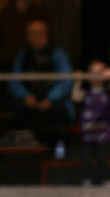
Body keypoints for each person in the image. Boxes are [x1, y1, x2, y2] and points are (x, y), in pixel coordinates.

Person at [9, 18, 73, 156]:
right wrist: (25, 96)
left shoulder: (57, 54)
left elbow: (66, 81)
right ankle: (25, 157)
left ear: (46, 35)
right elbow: (14, 81)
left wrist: (50, 99)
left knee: (58, 117)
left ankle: (57, 155)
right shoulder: (23, 55)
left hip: (53, 103)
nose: (36, 37)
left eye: (40, 33)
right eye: (32, 33)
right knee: (19, 114)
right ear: (27, 36)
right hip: (29, 102)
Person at [72, 60, 110, 186]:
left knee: (103, 156)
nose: (95, 76)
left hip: (104, 131)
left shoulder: (109, 91)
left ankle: (106, 179)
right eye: (92, 72)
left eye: (99, 72)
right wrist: (77, 82)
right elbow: (75, 97)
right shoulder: (86, 93)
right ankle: (87, 178)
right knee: (87, 156)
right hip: (88, 131)